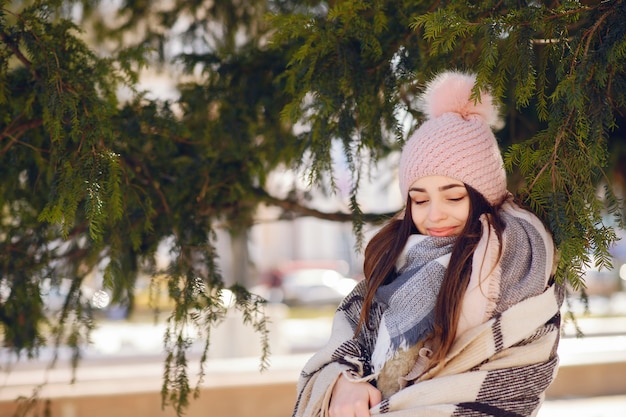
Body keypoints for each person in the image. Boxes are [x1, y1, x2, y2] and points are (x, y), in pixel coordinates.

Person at [292, 70, 564, 417]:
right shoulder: (396, 264)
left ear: (485, 196)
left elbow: (513, 380)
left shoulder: (518, 264)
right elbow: (352, 339)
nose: (434, 215)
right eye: (419, 201)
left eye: (453, 197)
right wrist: (344, 381)